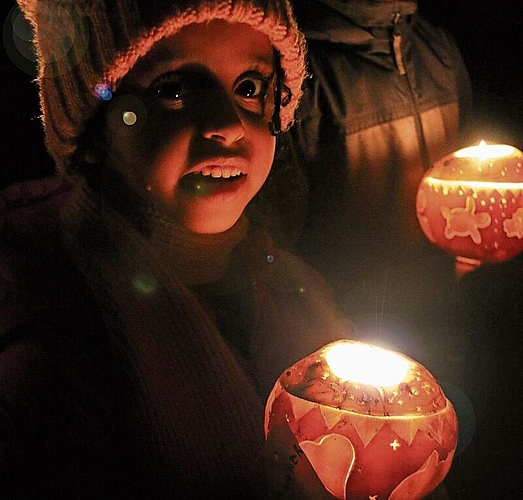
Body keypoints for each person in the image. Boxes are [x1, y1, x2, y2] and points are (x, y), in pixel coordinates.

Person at [0, 0, 351, 497]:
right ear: (94, 125)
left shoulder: (295, 291)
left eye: (249, 88)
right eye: (174, 89)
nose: (227, 124)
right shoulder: (48, 347)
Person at [287, 0, 473, 324]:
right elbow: (274, 241)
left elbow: (470, 171)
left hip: (456, 311)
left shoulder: (437, 46)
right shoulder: (299, 68)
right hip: (360, 325)